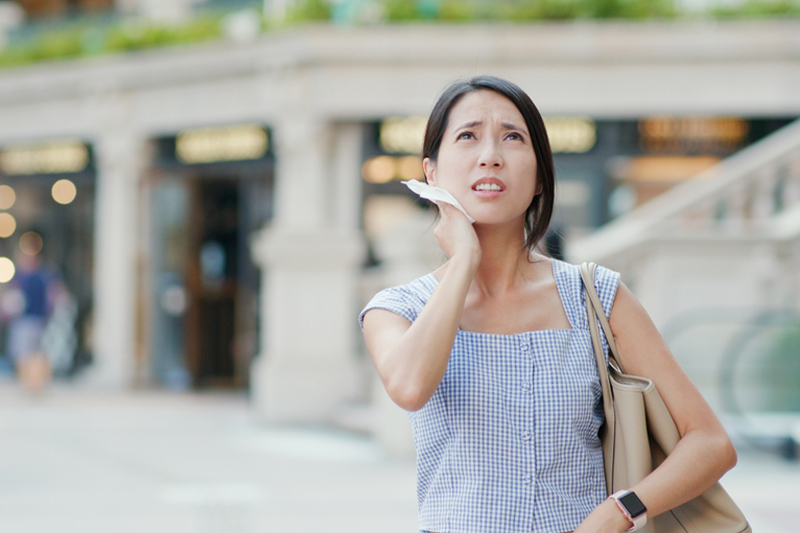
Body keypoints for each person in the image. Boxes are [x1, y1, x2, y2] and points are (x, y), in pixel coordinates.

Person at [359, 76, 737, 533]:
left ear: (539, 176)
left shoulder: (597, 297)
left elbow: (711, 443)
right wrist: (464, 262)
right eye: (467, 136)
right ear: (432, 173)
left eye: (512, 137)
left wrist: (619, 511)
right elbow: (409, 386)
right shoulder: (397, 308)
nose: (490, 155)